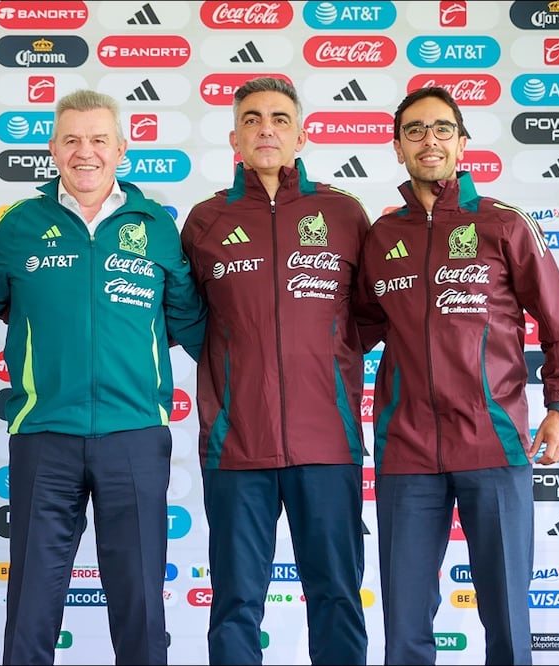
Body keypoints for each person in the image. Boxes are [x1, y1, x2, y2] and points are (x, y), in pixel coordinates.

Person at [0, 89, 205, 665]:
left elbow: (191, 322)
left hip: (135, 434)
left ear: (122, 148)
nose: (84, 152)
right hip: (44, 433)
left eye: (98, 139)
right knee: (32, 604)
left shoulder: (156, 227)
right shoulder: (21, 226)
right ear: (53, 148)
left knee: (141, 599)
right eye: (71, 139)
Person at [357, 86, 559, 665]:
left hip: (493, 442)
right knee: (405, 620)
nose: (427, 140)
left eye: (440, 129)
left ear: (461, 143)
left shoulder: (503, 224)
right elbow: (350, 332)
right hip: (406, 449)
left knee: (507, 615)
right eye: (413, 130)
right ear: (397, 146)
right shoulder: (382, 238)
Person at [179, 76, 370, 665]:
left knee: (337, 597)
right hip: (237, 445)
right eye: (254, 118)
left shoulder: (342, 212)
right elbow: (189, 320)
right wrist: (236, 373)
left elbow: (370, 315)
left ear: (302, 134)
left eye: (280, 118)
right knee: (236, 602)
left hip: (328, 442)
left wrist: (326, 366)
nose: (267, 128)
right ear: (234, 135)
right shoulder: (206, 220)